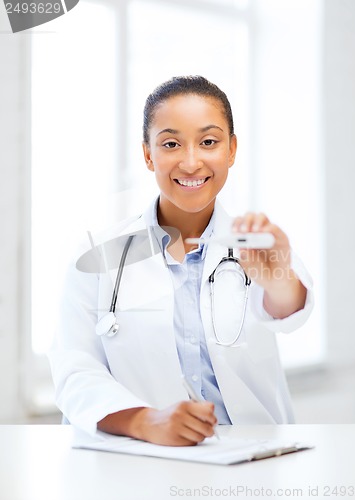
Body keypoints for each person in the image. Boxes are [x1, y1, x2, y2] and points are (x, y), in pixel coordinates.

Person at [49, 76, 313, 447]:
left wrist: (279, 277)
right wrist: (146, 421)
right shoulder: (98, 256)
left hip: (255, 454)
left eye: (209, 142)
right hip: (143, 459)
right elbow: (75, 371)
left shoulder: (257, 243)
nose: (191, 162)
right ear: (148, 154)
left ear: (232, 150)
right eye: (171, 144)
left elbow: (288, 310)